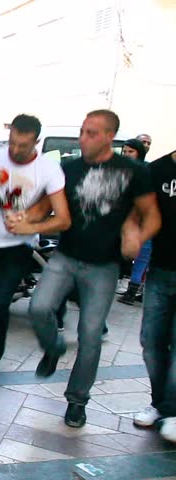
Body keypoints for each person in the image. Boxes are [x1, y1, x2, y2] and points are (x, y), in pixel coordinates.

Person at [27, 110, 160, 428]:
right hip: (66, 257)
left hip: (104, 266)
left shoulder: (134, 171)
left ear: (109, 137)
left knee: (90, 335)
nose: (83, 138)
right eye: (83, 131)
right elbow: (45, 207)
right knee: (38, 307)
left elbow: (151, 215)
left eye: (92, 133)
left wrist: (137, 237)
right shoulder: (68, 168)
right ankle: (53, 346)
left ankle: (77, 401)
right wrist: (24, 218)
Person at [0, 114, 71, 397]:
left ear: (36, 142)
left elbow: (63, 219)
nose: (14, 150)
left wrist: (32, 225)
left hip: (18, 248)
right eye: (12, 142)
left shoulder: (48, 170)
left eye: (22, 146)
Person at [134, 148, 176, 441]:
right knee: (151, 341)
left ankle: (173, 411)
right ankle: (160, 403)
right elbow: (141, 212)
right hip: (161, 268)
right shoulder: (158, 169)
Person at [118, 138, 151, 306]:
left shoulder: (146, 171)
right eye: (124, 151)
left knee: (142, 257)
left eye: (131, 152)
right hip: (123, 221)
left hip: (141, 221)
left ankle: (132, 291)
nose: (126, 155)